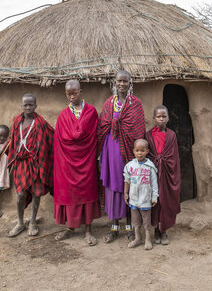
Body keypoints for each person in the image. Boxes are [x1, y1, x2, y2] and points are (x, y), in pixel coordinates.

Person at [97, 69, 145, 243]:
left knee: (130, 186)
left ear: (130, 83)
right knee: (113, 187)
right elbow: (102, 127)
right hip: (111, 150)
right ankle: (114, 227)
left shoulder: (136, 104)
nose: (122, 84)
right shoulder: (109, 103)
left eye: (125, 81)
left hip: (129, 153)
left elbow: (138, 130)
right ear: (114, 83)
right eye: (119, 81)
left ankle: (131, 228)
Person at [53, 80, 101, 246]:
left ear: (81, 91)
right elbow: (59, 142)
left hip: (87, 160)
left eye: (75, 93)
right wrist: (62, 163)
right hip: (67, 163)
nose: (72, 96)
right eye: (68, 94)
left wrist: (94, 156)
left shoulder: (91, 112)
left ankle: (88, 229)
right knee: (69, 193)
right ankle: (70, 228)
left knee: (87, 192)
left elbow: (96, 136)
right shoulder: (63, 115)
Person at [6, 93, 54, 238]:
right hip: (21, 163)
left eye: (30, 105)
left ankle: (33, 221)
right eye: (25, 105)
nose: (28, 107)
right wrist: (1, 155)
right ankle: (20, 223)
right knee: (20, 194)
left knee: (36, 193)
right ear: (21, 106)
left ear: (35, 106)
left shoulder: (41, 123)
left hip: (37, 163)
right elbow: (12, 140)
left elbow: (51, 137)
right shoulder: (16, 122)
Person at [145, 105, 181, 245]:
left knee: (165, 201)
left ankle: (164, 230)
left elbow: (174, 157)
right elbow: (146, 155)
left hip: (166, 173)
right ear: (154, 119)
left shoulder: (172, 135)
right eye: (158, 116)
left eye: (164, 116)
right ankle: (156, 231)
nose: (161, 119)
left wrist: (169, 169)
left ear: (168, 118)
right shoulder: (148, 135)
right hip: (153, 174)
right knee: (155, 201)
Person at [124, 139, 158, 250]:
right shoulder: (130, 166)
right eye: (137, 150)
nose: (139, 153)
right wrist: (126, 193)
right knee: (136, 221)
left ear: (147, 151)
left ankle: (148, 239)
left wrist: (154, 197)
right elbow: (127, 180)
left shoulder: (150, 167)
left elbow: (154, 183)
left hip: (145, 199)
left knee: (146, 222)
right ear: (133, 151)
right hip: (133, 199)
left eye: (142, 150)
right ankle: (137, 238)